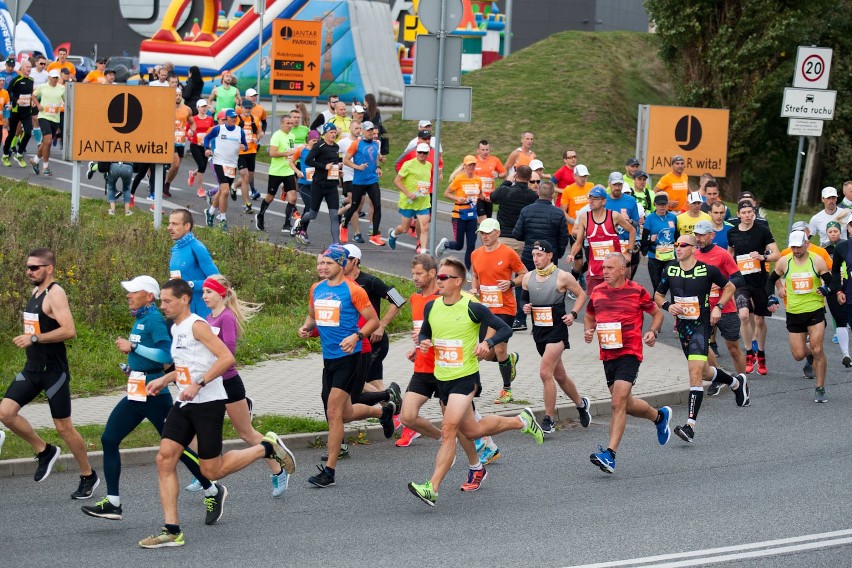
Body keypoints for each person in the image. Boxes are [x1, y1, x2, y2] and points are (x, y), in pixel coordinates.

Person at [138, 278, 294, 548]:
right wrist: (166, 380)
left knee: (213, 470)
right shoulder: (176, 328)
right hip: (184, 404)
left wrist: (198, 384)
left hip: (207, 403)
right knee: (164, 459)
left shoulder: (198, 325)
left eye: (167, 301)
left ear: (184, 299)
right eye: (161, 301)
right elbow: (188, 365)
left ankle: (266, 448)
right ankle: (172, 530)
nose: (162, 305)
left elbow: (226, 358)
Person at [408, 256, 544, 507]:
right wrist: (424, 341)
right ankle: (521, 420)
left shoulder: (472, 306)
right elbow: (426, 330)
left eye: (443, 277)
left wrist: (487, 343)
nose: (438, 280)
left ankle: (432, 487)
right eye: (438, 276)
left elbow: (505, 328)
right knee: (472, 431)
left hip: (465, 379)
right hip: (442, 379)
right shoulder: (432, 306)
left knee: (449, 430)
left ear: (458, 281)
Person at [81, 276, 215, 521]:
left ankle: (212, 489)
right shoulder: (142, 318)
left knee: (177, 448)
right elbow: (147, 355)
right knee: (109, 438)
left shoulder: (153, 320)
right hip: (137, 390)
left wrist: (134, 349)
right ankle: (113, 502)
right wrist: (132, 367)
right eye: (128, 292)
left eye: (134, 292)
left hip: (154, 393)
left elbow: (165, 355)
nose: (128, 295)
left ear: (149, 296)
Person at [0, 248, 98, 496]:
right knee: (5, 412)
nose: (29, 271)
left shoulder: (56, 294)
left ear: (49, 268)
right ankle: (45, 451)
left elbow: (69, 330)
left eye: (35, 267)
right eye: (28, 267)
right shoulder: (35, 292)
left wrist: (33, 338)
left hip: (54, 372)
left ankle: (88, 474)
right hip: (32, 369)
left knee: (64, 428)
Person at [297, 246, 395, 487]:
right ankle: (383, 411)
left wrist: (357, 336)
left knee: (333, 412)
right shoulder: (316, 289)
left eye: (327, 263)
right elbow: (312, 316)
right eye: (320, 263)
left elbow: (372, 321)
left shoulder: (354, 290)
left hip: (350, 358)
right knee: (346, 413)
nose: (322, 267)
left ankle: (329, 471)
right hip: (329, 358)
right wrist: (306, 328)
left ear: (341, 264)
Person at [199, 274, 293, 495]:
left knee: (246, 433)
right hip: (211, 385)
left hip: (228, 383)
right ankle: (203, 473)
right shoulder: (208, 317)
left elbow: (228, 351)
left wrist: (211, 367)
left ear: (221, 294)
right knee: (201, 430)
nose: (204, 296)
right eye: (203, 292)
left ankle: (279, 470)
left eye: (209, 292)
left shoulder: (226, 318)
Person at [655, 235, 750, 444]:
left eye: (682, 245)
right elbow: (658, 295)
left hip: (701, 325)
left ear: (693, 248)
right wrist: (667, 306)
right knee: (706, 372)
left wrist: (719, 306)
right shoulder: (670, 269)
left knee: (694, 372)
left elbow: (731, 287)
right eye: (676, 245)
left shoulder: (707, 270)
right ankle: (736, 382)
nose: (678, 248)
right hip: (683, 327)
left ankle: (690, 426)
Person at [584, 253, 671, 473]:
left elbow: (657, 314)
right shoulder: (598, 291)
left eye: (610, 268)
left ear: (623, 270)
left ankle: (610, 455)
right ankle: (659, 416)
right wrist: (588, 329)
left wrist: (652, 332)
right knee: (625, 403)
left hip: (630, 352)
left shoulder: (636, 290)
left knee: (617, 402)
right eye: (603, 268)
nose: (604, 272)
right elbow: (589, 316)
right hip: (608, 354)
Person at [520, 239, 590, 432]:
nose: (536, 259)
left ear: (550, 255)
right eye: (534, 255)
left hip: (557, 331)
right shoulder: (528, 278)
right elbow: (524, 301)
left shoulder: (563, 277)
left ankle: (549, 418)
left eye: (540, 255)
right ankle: (581, 404)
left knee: (545, 373)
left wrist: (573, 314)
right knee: (559, 375)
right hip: (539, 332)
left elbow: (581, 295)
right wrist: (525, 307)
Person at [768, 231, 834, 402]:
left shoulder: (816, 260)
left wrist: (827, 289)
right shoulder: (785, 261)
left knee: (818, 348)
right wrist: (772, 296)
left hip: (815, 309)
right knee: (798, 355)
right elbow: (771, 279)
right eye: (793, 247)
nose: (796, 250)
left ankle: (820, 387)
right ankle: (810, 350)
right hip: (794, 311)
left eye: (798, 246)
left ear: (806, 244)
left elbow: (832, 281)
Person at [469, 219, 526, 404]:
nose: (484, 237)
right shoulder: (475, 254)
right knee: (486, 353)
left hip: (505, 307)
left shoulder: (508, 253)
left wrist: (510, 283)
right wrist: (475, 288)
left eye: (488, 233)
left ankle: (506, 389)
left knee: (499, 347)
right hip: (485, 308)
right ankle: (510, 360)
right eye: (482, 233)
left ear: (497, 233)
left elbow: (524, 274)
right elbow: (475, 275)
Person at [341, 244, 405, 407]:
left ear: (355, 261)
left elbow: (398, 299)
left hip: (374, 341)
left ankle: (394, 406)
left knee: (354, 379)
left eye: (344, 259)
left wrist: (382, 325)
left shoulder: (370, 281)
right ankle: (398, 418)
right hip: (354, 342)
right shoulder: (339, 284)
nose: (340, 262)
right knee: (376, 385)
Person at [692, 220, 748, 391]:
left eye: (702, 235)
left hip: (725, 307)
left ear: (711, 235)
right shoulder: (693, 255)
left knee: (732, 347)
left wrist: (723, 283)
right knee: (703, 345)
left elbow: (739, 278)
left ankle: (742, 381)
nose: (699, 238)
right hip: (702, 308)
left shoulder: (722, 254)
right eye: (697, 235)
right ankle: (717, 376)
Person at [726, 200, 779, 375]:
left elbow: (776, 254)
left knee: (760, 320)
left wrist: (763, 256)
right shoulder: (732, 233)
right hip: (741, 281)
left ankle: (761, 354)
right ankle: (749, 353)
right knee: (743, 316)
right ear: (739, 214)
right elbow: (730, 253)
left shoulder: (762, 231)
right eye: (744, 212)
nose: (747, 215)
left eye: (750, 212)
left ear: (754, 213)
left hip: (760, 280)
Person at [570, 186, 635, 296]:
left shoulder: (614, 216)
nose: (591, 201)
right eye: (589, 197)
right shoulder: (584, 217)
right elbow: (579, 242)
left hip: (614, 270)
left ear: (604, 201)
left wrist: (629, 253)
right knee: (595, 304)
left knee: (614, 304)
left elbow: (632, 231)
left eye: (595, 198)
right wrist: (572, 254)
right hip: (595, 269)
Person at [293, 122, 343, 244]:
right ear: (325, 134)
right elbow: (308, 160)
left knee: (334, 215)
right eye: (331, 132)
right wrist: (323, 166)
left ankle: (336, 244)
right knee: (312, 214)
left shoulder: (336, 147)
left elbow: (333, 163)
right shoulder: (319, 146)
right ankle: (300, 223)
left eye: (335, 132)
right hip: (318, 184)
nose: (333, 134)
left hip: (331, 186)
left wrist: (338, 168)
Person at [167, 209, 220, 317]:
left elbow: (217, 280)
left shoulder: (197, 248)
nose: (169, 227)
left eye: (175, 224)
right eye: (169, 223)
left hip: (201, 312)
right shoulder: (175, 249)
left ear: (187, 226)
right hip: (182, 311)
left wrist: (190, 284)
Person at [342, 120, 386, 246]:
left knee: (377, 205)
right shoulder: (356, 144)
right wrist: (357, 166)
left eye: (372, 130)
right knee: (354, 206)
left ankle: (375, 236)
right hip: (359, 181)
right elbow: (346, 160)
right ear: (362, 131)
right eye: (368, 130)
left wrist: (378, 167)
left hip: (372, 180)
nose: (371, 132)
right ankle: (344, 226)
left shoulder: (376, 143)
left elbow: (375, 156)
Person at [203, 108, 247, 230]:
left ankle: (210, 212)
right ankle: (223, 219)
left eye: (235, 118)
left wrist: (244, 146)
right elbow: (206, 138)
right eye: (231, 117)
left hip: (232, 164)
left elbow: (245, 145)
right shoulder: (218, 129)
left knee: (222, 191)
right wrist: (206, 148)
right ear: (226, 118)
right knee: (226, 191)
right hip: (219, 161)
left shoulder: (240, 131)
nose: (233, 119)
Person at [436, 155, 482, 269]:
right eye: (469, 165)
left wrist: (486, 197)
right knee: (459, 245)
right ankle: (446, 244)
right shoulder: (459, 179)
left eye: (473, 165)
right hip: (459, 216)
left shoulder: (478, 179)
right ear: (465, 166)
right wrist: (458, 199)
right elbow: (446, 193)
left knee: (471, 245)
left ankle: (467, 269)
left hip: (472, 216)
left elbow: (479, 194)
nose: (472, 167)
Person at [388, 142, 433, 253]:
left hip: (423, 201)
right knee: (404, 229)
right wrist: (408, 193)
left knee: (425, 227)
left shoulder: (429, 165)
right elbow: (397, 181)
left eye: (424, 153)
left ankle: (423, 253)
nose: (422, 154)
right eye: (420, 152)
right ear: (416, 152)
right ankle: (393, 234)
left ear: (428, 154)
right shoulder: (408, 164)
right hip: (408, 201)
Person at [256, 114, 297, 232]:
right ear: (282, 124)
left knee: (293, 198)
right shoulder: (276, 135)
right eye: (287, 123)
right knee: (270, 197)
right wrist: (286, 153)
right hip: (276, 172)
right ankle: (260, 215)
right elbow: (272, 153)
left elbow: (291, 153)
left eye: (291, 123)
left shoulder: (292, 136)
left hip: (288, 171)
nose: (290, 125)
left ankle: (287, 225)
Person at [605, 173, 641, 278]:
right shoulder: (604, 201)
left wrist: (629, 221)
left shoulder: (630, 200)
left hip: (625, 243)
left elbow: (636, 224)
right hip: (609, 243)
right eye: (615, 184)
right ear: (609, 184)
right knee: (609, 276)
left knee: (625, 277)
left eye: (619, 185)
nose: (617, 187)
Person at [641, 193, 678, 294]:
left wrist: (677, 248)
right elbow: (644, 241)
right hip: (654, 256)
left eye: (664, 204)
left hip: (670, 256)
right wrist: (651, 241)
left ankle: (673, 307)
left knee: (672, 283)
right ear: (655, 204)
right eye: (659, 204)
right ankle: (656, 307)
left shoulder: (673, 217)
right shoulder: (650, 218)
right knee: (657, 286)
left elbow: (677, 237)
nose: (662, 207)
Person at [30, 68, 64, 176]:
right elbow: (33, 95)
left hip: (55, 119)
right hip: (44, 117)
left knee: (46, 143)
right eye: (53, 77)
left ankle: (35, 161)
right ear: (49, 77)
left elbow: (67, 99)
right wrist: (38, 105)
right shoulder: (43, 87)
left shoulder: (61, 88)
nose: (55, 79)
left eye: (56, 78)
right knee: (48, 142)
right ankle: (45, 167)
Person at [2, 59, 34, 167]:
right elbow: (8, 92)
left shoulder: (31, 80)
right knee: (11, 134)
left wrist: (32, 101)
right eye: (27, 67)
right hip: (16, 111)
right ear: (22, 68)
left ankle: (19, 154)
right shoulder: (16, 80)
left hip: (26, 111)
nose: (29, 69)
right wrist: (16, 101)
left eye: (30, 67)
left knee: (28, 132)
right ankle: (5, 155)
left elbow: (30, 93)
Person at [473, 140, 506, 219]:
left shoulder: (494, 160)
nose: (485, 152)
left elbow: (504, 173)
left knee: (488, 220)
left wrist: (498, 175)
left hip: (489, 197)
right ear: (478, 150)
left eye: (487, 150)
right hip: (477, 196)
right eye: (483, 150)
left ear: (489, 150)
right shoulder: (473, 160)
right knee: (482, 218)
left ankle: (478, 230)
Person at [188, 100, 214, 198]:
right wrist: (191, 136)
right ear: (197, 108)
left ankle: (192, 173)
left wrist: (209, 141)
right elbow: (187, 131)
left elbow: (212, 131)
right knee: (202, 166)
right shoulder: (193, 119)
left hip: (205, 146)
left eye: (205, 107)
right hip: (195, 145)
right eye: (202, 107)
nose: (204, 109)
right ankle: (200, 189)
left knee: (202, 167)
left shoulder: (210, 119)